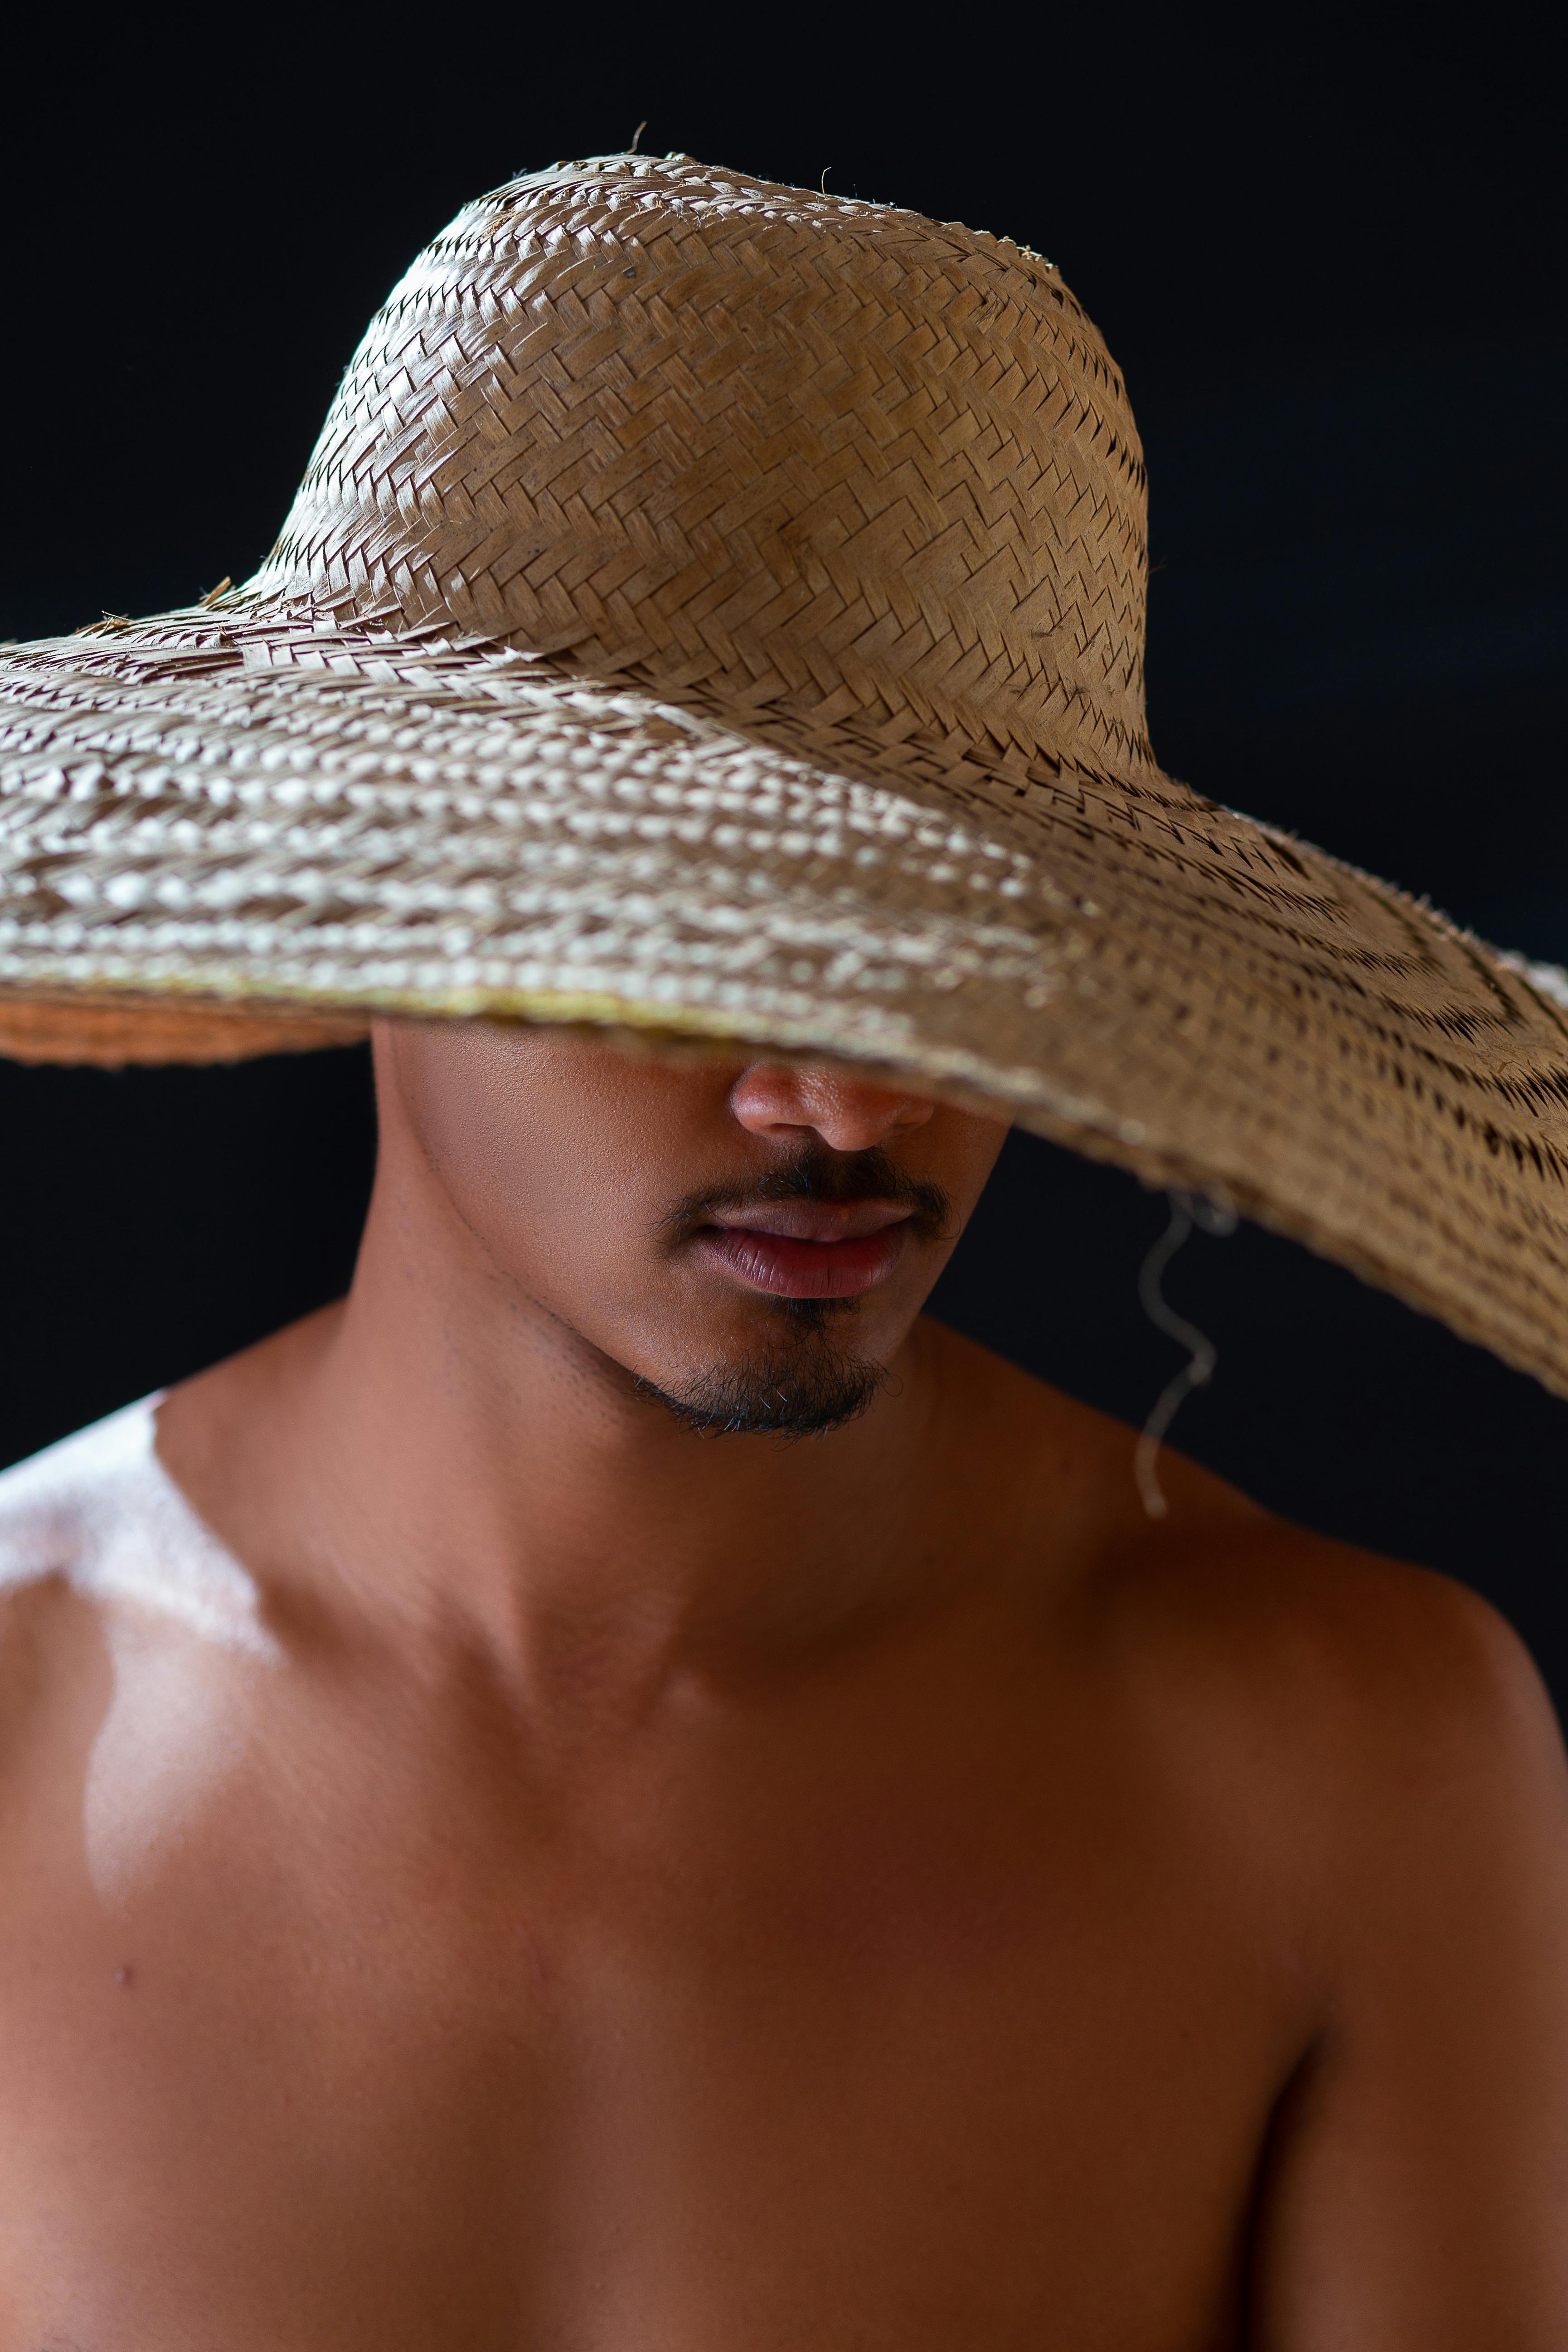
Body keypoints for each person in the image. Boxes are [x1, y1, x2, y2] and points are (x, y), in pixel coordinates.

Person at [1, 151, 1567, 2343]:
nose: (841, 1106)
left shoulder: (1335, 1760)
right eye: (682, 961)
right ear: (360, 907)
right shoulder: (15, 1699)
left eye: (946, 975)